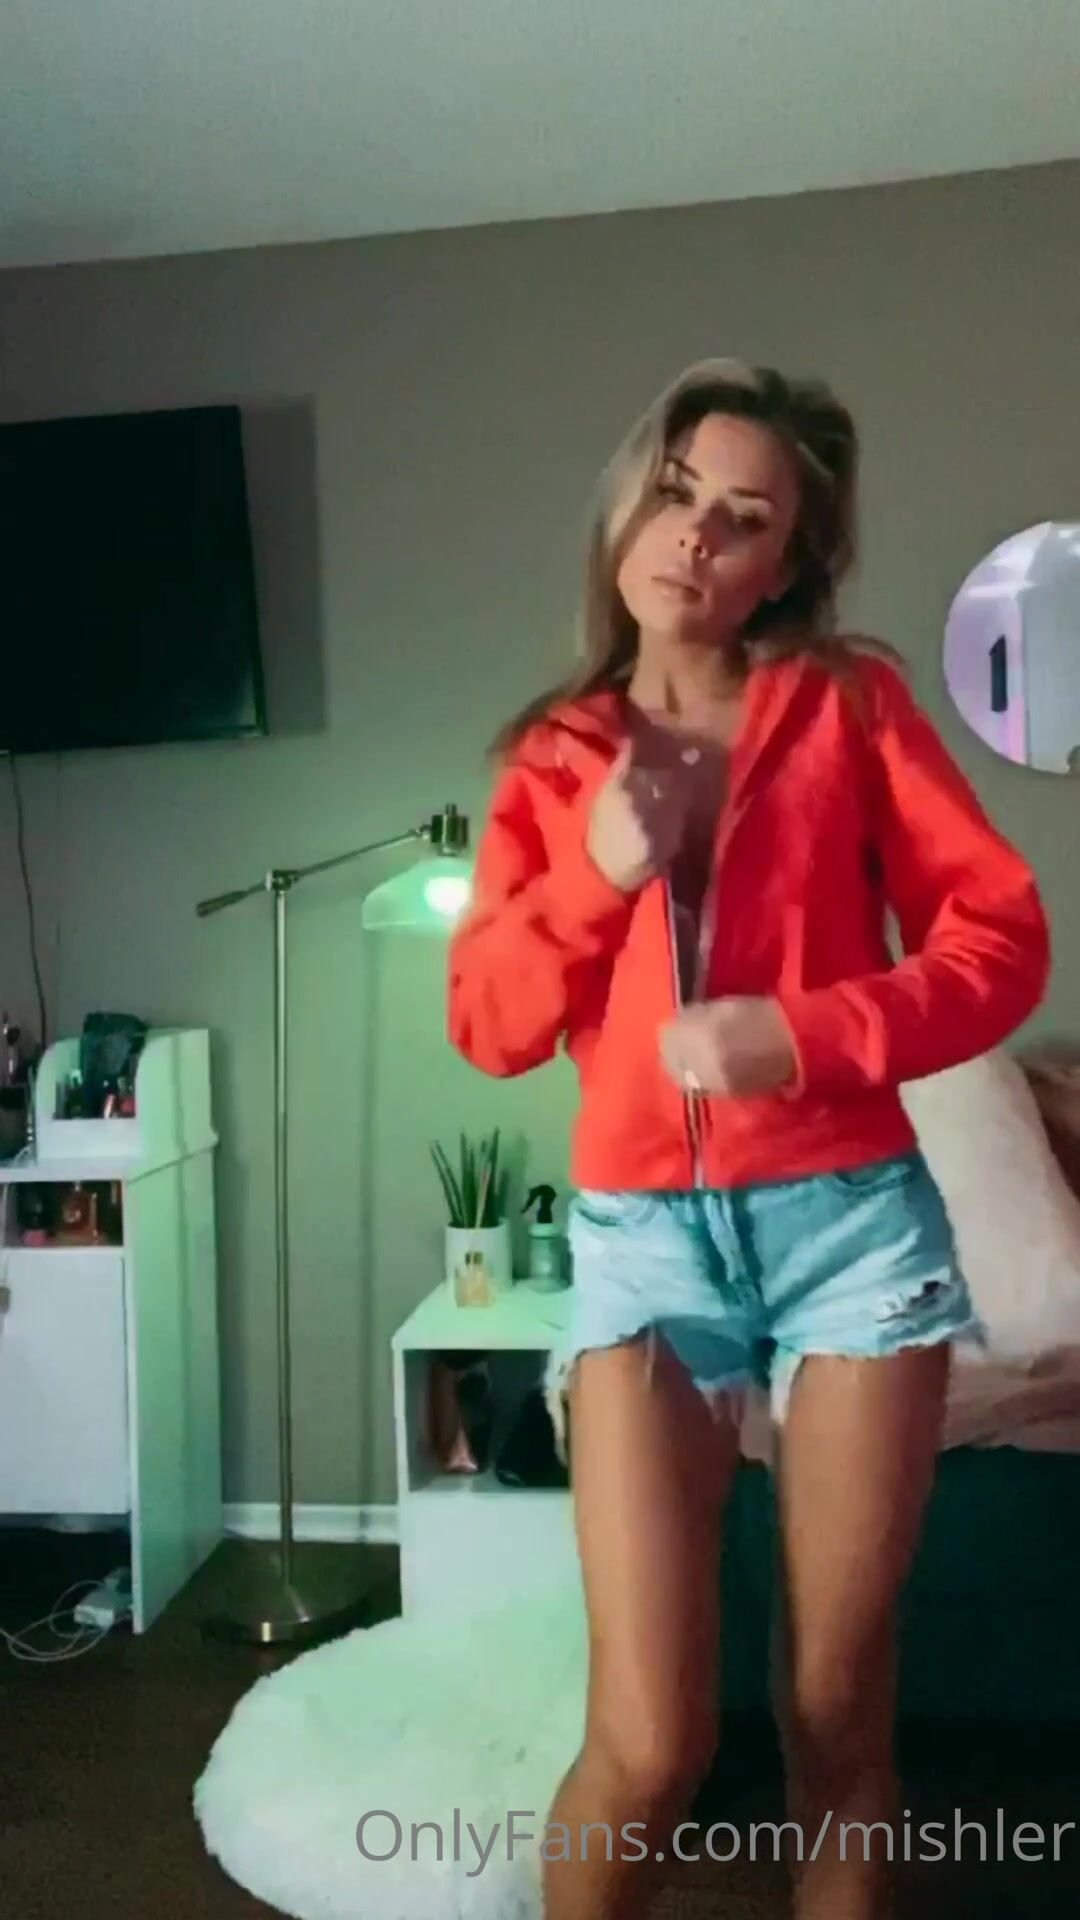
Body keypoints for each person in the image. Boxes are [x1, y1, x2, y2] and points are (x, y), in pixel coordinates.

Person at [446, 359, 1050, 1920]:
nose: (698, 536)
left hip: (853, 1235)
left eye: (746, 516)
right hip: (645, 1252)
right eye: (676, 493)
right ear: (627, 505)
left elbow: (1001, 941)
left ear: (788, 561)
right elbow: (491, 1026)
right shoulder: (554, 757)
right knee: (650, 1741)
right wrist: (594, 871)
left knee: (837, 1714)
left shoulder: (852, 707)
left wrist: (808, 1033)